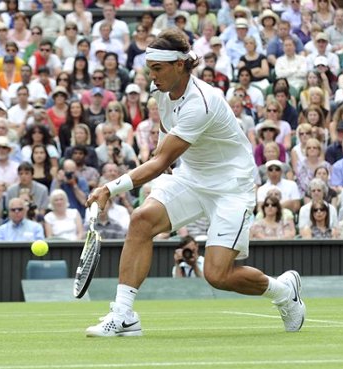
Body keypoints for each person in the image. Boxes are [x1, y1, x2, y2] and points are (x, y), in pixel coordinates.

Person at [85, 28, 305, 337]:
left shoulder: (201, 103)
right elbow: (165, 134)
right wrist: (166, 157)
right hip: (191, 176)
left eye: (158, 68)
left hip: (231, 185)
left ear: (180, 65)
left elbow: (159, 163)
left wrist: (109, 187)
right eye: (150, 69)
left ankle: (283, 292)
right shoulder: (160, 88)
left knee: (218, 274)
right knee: (142, 219)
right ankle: (124, 315)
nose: (153, 75)